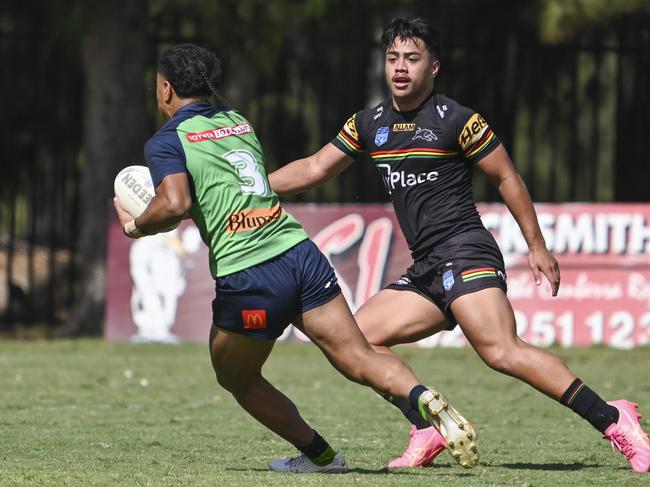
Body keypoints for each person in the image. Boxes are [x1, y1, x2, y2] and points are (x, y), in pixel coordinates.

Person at [268, 18, 650, 472]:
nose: (401, 68)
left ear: (434, 67)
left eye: (412, 59)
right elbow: (314, 168)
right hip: (427, 268)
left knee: (500, 351)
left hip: (466, 251)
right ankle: (426, 425)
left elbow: (505, 176)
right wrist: (249, 189)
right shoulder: (368, 123)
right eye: (393, 59)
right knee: (355, 343)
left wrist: (537, 246)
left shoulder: (458, 121)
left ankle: (613, 418)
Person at [113, 43, 482, 473]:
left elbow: (175, 203)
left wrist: (136, 225)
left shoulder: (166, 139)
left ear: (166, 90)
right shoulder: (237, 122)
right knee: (358, 356)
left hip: (250, 275)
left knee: (235, 376)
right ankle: (423, 400)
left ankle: (322, 457)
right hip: (299, 254)